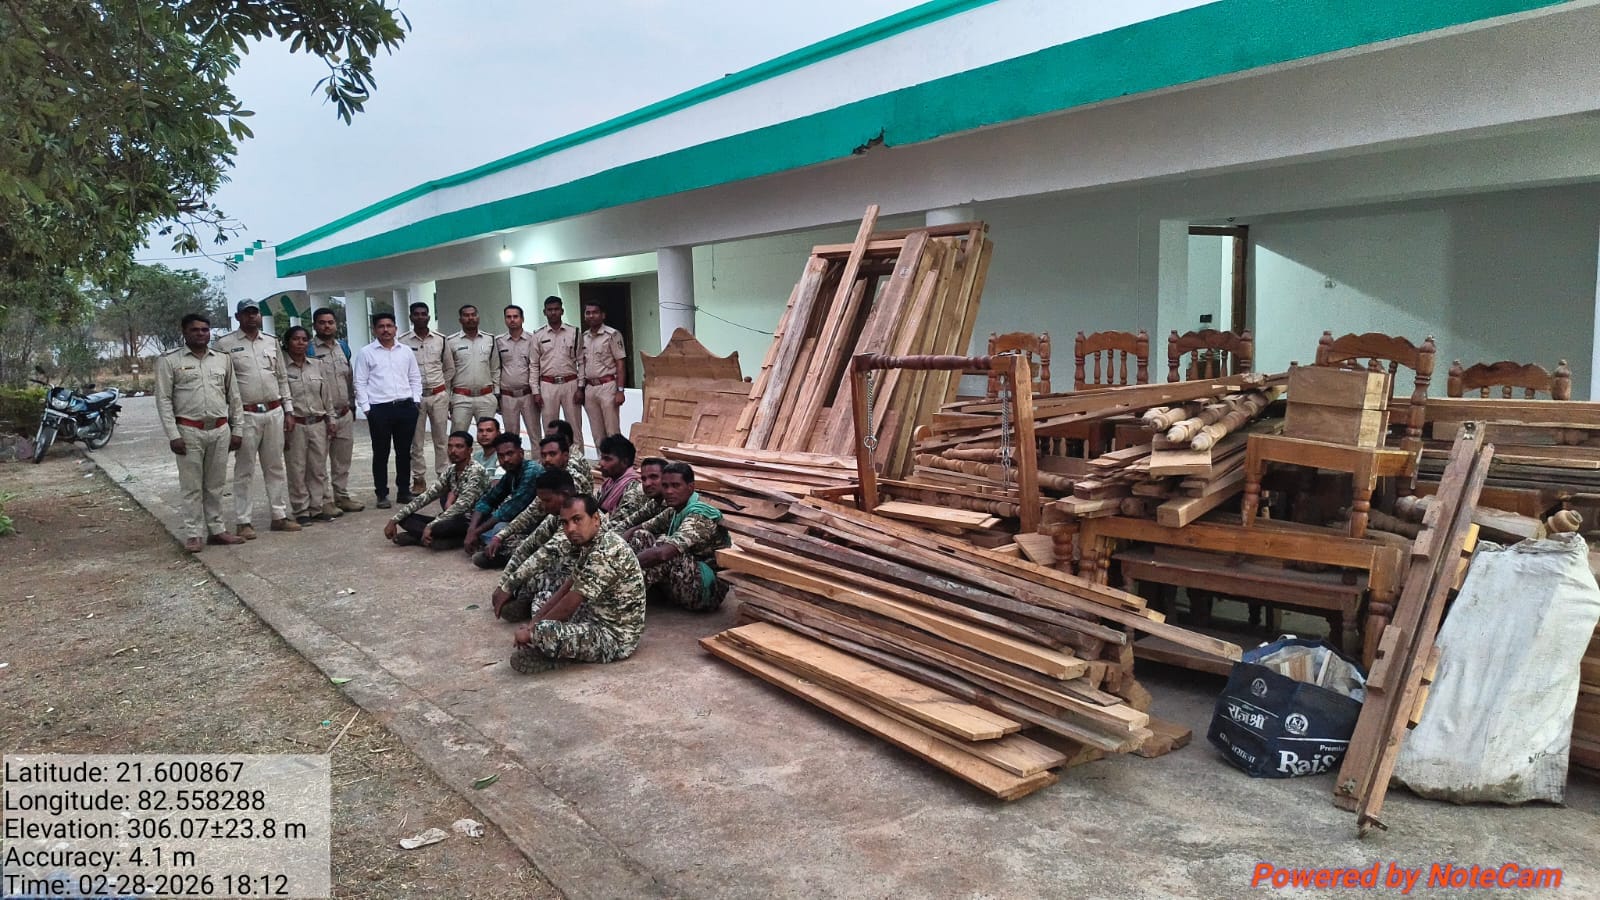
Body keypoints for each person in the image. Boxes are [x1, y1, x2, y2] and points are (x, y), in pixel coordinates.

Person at [501, 495, 647, 674]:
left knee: (545, 631)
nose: (570, 529)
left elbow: (569, 604)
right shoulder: (592, 544)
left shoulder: (606, 551)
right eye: (565, 523)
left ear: (595, 519)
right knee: (543, 597)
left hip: (615, 638)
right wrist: (533, 624)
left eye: (577, 520)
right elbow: (567, 587)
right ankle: (558, 647)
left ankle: (560, 656)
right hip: (594, 615)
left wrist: (533, 632)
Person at [156, 314, 244, 552]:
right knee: (192, 486)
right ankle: (194, 534)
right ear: (184, 332)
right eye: (195, 330)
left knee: (215, 485)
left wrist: (237, 429)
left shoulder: (222, 359)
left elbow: (234, 396)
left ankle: (217, 530)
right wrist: (173, 435)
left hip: (220, 429)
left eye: (205, 330)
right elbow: (163, 400)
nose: (201, 334)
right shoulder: (169, 361)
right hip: (188, 431)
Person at [215, 299, 298, 536]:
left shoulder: (271, 342)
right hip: (245, 413)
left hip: (274, 411)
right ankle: (243, 521)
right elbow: (221, 382)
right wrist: (230, 418)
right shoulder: (225, 344)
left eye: (255, 313)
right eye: (247, 313)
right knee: (244, 469)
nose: (252, 317)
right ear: (238, 316)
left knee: (275, 466)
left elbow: (281, 377)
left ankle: (279, 515)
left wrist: (289, 410)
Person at [633, 462, 730, 611]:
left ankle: (625, 596)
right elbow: (638, 528)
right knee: (641, 535)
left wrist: (624, 566)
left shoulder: (699, 515)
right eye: (665, 486)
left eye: (676, 486)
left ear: (690, 487)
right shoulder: (675, 510)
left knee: (666, 548)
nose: (669, 491)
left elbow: (663, 554)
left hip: (707, 591)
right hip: (686, 577)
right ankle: (634, 589)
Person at [353, 311, 422, 509]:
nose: (386, 330)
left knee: (404, 452)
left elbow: (415, 377)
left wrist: (416, 401)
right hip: (379, 409)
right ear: (374, 330)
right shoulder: (366, 352)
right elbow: (360, 382)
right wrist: (367, 409)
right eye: (381, 326)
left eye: (389, 326)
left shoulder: (405, 351)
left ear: (395, 329)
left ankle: (404, 491)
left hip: (405, 407)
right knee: (381, 453)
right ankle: (382, 494)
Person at [384, 431, 486, 550]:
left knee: (439, 527)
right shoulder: (451, 470)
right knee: (404, 518)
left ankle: (422, 538)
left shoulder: (476, 471)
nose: (453, 451)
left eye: (459, 447)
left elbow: (461, 507)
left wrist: (431, 525)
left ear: (469, 450)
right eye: (450, 446)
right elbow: (427, 495)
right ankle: (440, 540)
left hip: (472, 522)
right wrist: (394, 519)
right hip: (452, 518)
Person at [282, 326, 337, 526]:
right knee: (297, 469)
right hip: (296, 424)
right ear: (287, 342)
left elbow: (326, 395)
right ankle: (301, 510)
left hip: (318, 423)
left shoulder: (317, 365)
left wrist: (331, 419)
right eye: (295, 339)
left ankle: (317, 507)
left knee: (318, 468)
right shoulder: (282, 367)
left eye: (304, 339)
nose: (300, 343)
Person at [310, 307, 363, 515]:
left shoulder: (343, 347)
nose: (327, 326)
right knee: (318, 462)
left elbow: (349, 377)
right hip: (321, 415)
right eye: (322, 322)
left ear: (336, 325)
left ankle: (341, 496)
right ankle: (324, 501)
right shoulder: (309, 349)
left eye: (330, 322)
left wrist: (352, 404)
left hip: (344, 412)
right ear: (315, 325)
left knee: (342, 460)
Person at [399, 301, 455, 494]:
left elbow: (449, 368)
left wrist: (443, 389)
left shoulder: (441, 340)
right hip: (415, 398)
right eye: (416, 314)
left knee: (441, 440)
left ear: (429, 316)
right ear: (411, 317)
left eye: (424, 314)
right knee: (416, 442)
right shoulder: (403, 342)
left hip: (438, 395)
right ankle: (419, 479)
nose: (420, 317)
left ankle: (443, 477)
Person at [476, 468, 575, 569]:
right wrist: (498, 537)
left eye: (547, 501)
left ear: (566, 494)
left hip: (563, 551)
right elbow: (527, 519)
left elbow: (548, 550)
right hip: (543, 537)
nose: (543, 506)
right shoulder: (553, 510)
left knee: (552, 558)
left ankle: (507, 558)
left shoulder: (575, 512)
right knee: (505, 534)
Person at [463, 433, 543, 554]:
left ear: (521, 453)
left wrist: (476, 532)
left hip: (532, 523)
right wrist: (472, 529)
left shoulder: (532, 471)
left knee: (499, 528)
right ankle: (476, 540)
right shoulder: (511, 473)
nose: (506, 459)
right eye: (501, 456)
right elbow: (488, 499)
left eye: (510, 454)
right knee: (471, 516)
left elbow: (509, 511)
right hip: (514, 520)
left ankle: (492, 550)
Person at [532, 295, 583, 452]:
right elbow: (534, 365)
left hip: (570, 383)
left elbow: (581, 361)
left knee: (574, 427)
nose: (553, 312)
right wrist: (535, 391)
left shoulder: (574, 332)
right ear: (544, 312)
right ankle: (551, 459)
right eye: (550, 310)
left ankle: (577, 461)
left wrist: (580, 387)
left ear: (562, 311)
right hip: (547, 385)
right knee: (549, 427)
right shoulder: (538, 335)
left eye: (556, 309)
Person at [579, 301, 628, 450]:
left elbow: (620, 364)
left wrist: (620, 390)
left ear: (602, 315)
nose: (591, 316)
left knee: (612, 431)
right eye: (588, 313)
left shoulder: (612, 335)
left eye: (595, 312)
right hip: (590, 388)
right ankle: (603, 460)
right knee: (597, 433)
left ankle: (617, 460)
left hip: (608, 386)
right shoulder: (583, 337)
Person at [448, 304, 499, 433]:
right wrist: (448, 398)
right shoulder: (450, 342)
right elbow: (448, 372)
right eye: (466, 315)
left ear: (478, 317)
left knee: (488, 437)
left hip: (486, 397)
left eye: (473, 315)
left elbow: (495, 368)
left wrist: (496, 394)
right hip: (461, 398)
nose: (470, 318)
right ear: (460, 320)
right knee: (458, 436)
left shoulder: (490, 340)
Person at [495, 304, 537, 438]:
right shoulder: (498, 342)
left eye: (515, 316)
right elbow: (495, 368)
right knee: (511, 436)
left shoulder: (533, 340)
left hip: (528, 395)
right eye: (508, 317)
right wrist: (496, 395)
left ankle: (537, 454)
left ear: (522, 319)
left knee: (535, 435)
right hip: (507, 396)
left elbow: (537, 367)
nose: (512, 320)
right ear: (504, 319)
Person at [613, 457, 667, 536]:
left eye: (654, 477)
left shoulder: (674, 505)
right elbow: (628, 522)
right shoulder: (654, 503)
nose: (647, 483)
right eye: (644, 479)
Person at [596, 434, 642, 515]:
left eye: (607, 459)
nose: (601, 463)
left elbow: (621, 520)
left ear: (624, 462)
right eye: (601, 458)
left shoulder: (633, 487)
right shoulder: (609, 482)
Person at [538, 432, 592, 496]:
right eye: (543, 455)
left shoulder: (572, 482)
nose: (547, 459)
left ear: (565, 456)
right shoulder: (546, 476)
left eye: (552, 454)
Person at [474, 417, 502, 481]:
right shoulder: (476, 456)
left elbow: (498, 483)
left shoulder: (503, 455)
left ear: (498, 433)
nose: (484, 434)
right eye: (480, 431)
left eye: (489, 430)